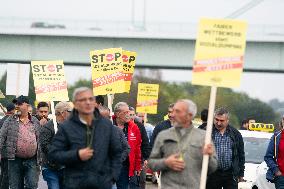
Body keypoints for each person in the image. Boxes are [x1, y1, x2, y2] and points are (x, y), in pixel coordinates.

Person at [48, 87, 122, 189]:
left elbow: (117, 153)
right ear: (75, 104)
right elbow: (54, 154)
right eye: (83, 100)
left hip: (101, 184)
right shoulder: (67, 127)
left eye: (90, 99)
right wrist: (76, 155)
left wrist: (112, 177)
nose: (87, 102)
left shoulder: (106, 125)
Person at [148, 99, 217, 189]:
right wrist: (166, 162)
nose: (172, 115)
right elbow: (151, 163)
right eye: (172, 112)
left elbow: (213, 168)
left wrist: (209, 156)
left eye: (177, 111)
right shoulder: (163, 135)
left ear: (190, 115)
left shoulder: (203, 137)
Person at [0, 95, 41, 189]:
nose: (16, 106)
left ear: (27, 105)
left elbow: (39, 140)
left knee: (32, 185)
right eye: (16, 104)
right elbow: (1, 136)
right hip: (14, 159)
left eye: (19, 104)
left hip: (32, 160)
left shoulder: (35, 121)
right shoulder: (10, 120)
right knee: (15, 186)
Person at [206, 107, 245, 189]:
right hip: (212, 173)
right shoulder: (207, 131)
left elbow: (241, 154)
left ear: (227, 120)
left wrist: (241, 174)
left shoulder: (235, 134)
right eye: (216, 119)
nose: (218, 123)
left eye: (221, 121)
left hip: (230, 174)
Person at [40, 101, 73, 189]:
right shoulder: (48, 127)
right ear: (63, 113)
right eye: (70, 111)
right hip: (50, 167)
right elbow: (44, 146)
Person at [113, 102, 142, 189]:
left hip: (125, 166)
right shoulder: (109, 125)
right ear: (118, 114)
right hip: (110, 166)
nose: (128, 115)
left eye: (129, 112)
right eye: (125, 112)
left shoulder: (134, 127)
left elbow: (137, 148)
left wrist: (137, 166)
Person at [129, 107, 151, 189]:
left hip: (140, 158)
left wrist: (146, 158)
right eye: (129, 114)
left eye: (133, 114)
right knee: (132, 180)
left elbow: (145, 142)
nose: (131, 116)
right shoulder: (124, 126)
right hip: (128, 158)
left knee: (141, 180)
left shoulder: (140, 126)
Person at [264, 115, 284, 188]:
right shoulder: (276, 137)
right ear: (282, 122)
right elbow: (268, 157)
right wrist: (276, 171)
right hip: (281, 178)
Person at [0, 102, 15, 189]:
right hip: (8, 151)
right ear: (13, 110)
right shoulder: (11, 121)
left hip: (2, 151)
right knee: (7, 174)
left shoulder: (2, 120)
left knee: (3, 172)